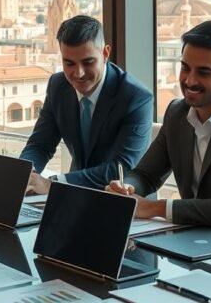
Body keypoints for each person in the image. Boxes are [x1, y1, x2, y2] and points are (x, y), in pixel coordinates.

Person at [106, 21, 211, 238]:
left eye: (204, 72)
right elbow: (146, 174)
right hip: (191, 237)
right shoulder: (177, 112)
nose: (190, 80)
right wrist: (127, 188)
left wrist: (154, 207)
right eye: (185, 68)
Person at [20, 15, 154, 192]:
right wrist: (24, 175)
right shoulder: (57, 85)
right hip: (72, 196)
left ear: (105, 53)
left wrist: (53, 184)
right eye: (69, 63)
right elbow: (40, 144)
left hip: (125, 202)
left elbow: (120, 168)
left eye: (88, 62)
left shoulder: (136, 98)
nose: (79, 73)